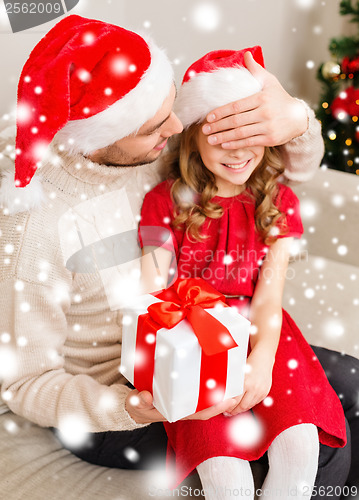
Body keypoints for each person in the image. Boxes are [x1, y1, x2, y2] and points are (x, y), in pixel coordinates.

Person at [0, 14, 356, 498]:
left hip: (214, 337)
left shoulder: (152, 152)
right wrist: (128, 407)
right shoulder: (33, 232)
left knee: (348, 390)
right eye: (154, 127)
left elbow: (289, 167)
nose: (175, 126)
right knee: (319, 452)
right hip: (120, 397)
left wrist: (296, 118)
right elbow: (25, 386)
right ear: (102, 136)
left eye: (171, 106)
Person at [138, 47, 348, 499]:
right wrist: (202, 357)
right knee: (223, 473)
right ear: (192, 136)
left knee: (300, 448)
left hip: (264, 331)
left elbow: (270, 298)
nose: (237, 151)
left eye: (248, 133)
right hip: (192, 337)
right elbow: (154, 295)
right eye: (220, 135)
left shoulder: (279, 203)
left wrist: (261, 359)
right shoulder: (162, 202)